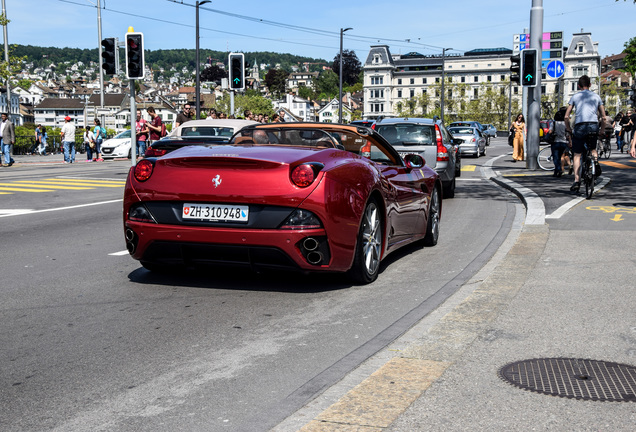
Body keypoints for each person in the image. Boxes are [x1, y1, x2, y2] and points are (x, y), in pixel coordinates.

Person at [564, 75, 606, 192]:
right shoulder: (596, 97)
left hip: (580, 126)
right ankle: (595, 164)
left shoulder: (575, 96)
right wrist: (601, 130)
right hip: (593, 125)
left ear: (578, 86)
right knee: (593, 149)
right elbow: (603, 117)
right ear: (590, 85)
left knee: (577, 155)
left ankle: (577, 181)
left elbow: (566, 116)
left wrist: (569, 129)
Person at [549, 107, 570, 177]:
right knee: (561, 156)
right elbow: (568, 133)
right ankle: (557, 171)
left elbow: (550, 131)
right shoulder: (565, 124)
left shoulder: (554, 123)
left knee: (555, 158)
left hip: (555, 142)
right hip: (563, 142)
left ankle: (558, 169)